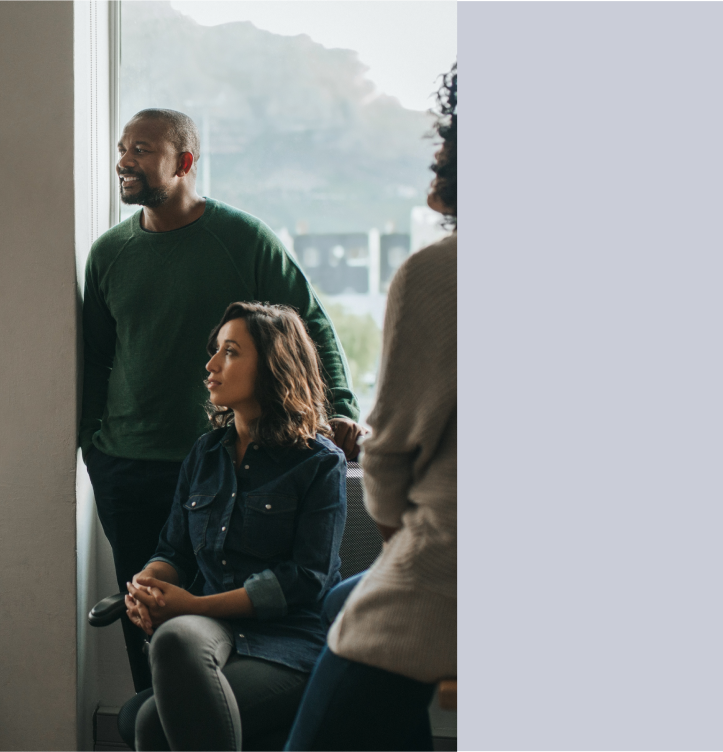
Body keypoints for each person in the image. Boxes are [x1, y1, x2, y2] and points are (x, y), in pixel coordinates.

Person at [83, 108, 364, 691]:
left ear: (184, 163)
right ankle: (159, 723)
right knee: (148, 616)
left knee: (221, 615)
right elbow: (94, 358)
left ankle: (229, 714)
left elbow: (308, 326)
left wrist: (341, 410)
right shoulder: (109, 253)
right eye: (122, 148)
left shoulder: (243, 239)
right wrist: (93, 446)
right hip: (126, 466)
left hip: (222, 460)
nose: (124, 161)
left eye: (141, 150)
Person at [283, 65, 458, 752]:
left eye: (444, 160)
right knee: (335, 597)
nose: (432, 181)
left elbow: (384, 459)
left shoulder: (440, 274)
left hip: (453, 563)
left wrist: (398, 551)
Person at [121, 301, 347, 752]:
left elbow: (306, 579)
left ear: (273, 365)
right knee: (173, 638)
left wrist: (194, 606)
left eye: (229, 352)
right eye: (215, 351)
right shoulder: (204, 454)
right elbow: (175, 550)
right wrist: (150, 583)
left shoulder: (320, 464)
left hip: (290, 643)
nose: (211, 364)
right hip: (212, 633)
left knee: (149, 725)